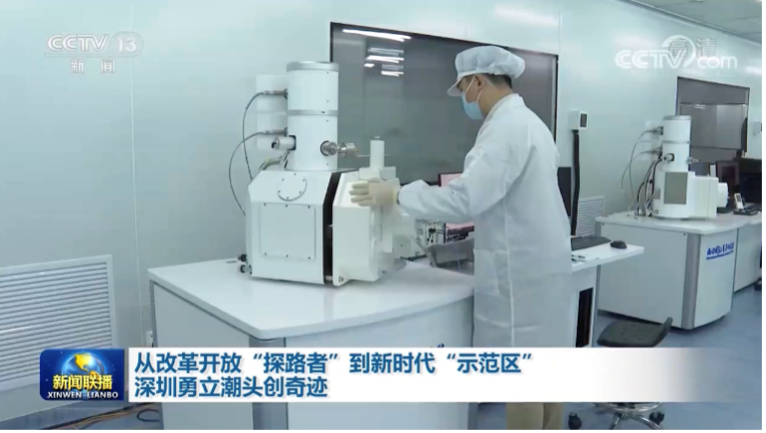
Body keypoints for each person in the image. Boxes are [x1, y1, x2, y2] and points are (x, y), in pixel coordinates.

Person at [350, 46, 573, 431]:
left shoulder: (505, 129)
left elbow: (465, 199)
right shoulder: (531, 122)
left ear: (478, 82)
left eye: (463, 89)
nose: (464, 99)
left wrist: (397, 194)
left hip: (519, 273)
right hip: (544, 265)